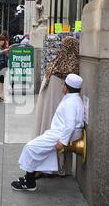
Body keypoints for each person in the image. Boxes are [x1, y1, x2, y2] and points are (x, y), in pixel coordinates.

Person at [11, 74, 84, 191]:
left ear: (67, 87)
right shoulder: (75, 99)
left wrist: (63, 141)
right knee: (40, 151)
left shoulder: (70, 102)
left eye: (63, 84)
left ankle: (29, 182)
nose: (62, 86)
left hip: (60, 134)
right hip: (60, 133)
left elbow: (70, 126)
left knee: (30, 147)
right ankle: (29, 178)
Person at [33, 36, 79, 178]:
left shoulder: (55, 63)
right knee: (59, 132)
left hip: (48, 105)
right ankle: (58, 166)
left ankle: (42, 166)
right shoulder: (71, 66)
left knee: (46, 129)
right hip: (58, 105)